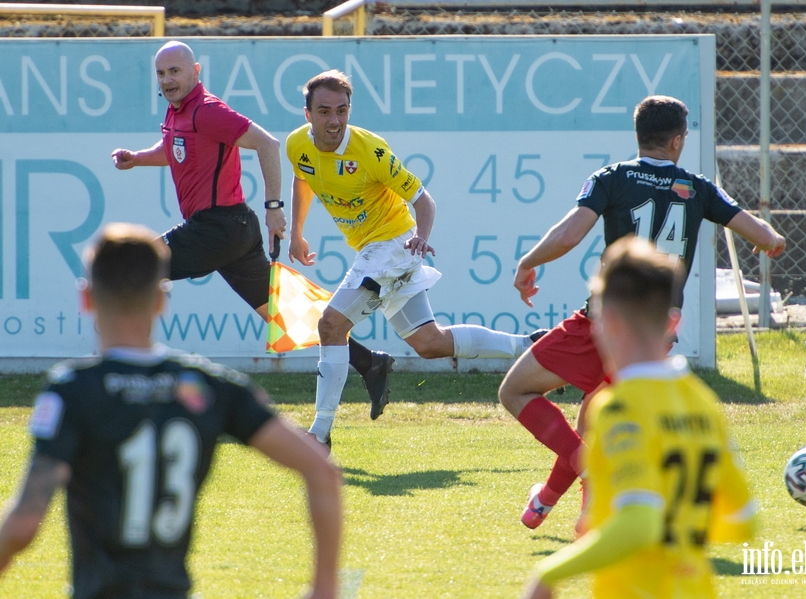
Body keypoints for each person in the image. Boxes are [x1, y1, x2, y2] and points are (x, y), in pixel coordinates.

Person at [0, 223, 342, 599]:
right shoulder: (210, 387)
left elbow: (25, 523)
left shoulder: (73, 390)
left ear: (86, 299)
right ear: (162, 300)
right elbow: (320, 469)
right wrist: (324, 588)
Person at [500, 95, 785, 530]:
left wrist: (528, 262)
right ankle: (556, 505)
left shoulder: (611, 177)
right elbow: (765, 235)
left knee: (515, 392)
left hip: (605, 323)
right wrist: (768, 241)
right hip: (655, 335)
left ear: (640, 135)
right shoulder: (697, 186)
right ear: (676, 141)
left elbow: (569, 234)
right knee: (592, 420)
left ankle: (582, 487)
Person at [110, 41, 394, 421]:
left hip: (219, 228)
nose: (167, 80)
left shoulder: (207, 110)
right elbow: (175, 149)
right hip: (231, 232)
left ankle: (124, 377)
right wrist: (137, 159)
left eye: (175, 71)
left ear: (196, 72)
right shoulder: (178, 111)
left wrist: (275, 208)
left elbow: (266, 142)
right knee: (284, 313)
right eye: (161, 74)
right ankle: (369, 362)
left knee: (131, 268)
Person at [285, 70, 546, 447]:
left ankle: (319, 435)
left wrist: (421, 238)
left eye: (342, 111)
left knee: (330, 325)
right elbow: (303, 177)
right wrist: (296, 232)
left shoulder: (370, 150)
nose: (335, 121)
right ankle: (530, 345)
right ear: (308, 115)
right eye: (324, 112)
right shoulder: (296, 144)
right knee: (429, 343)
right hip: (373, 250)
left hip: (394, 244)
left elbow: (424, 200)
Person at [521, 235, 758, 599]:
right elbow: (744, 519)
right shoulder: (703, 402)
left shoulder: (618, 408)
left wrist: (550, 572)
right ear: (672, 324)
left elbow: (638, 524)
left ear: (608, 323)